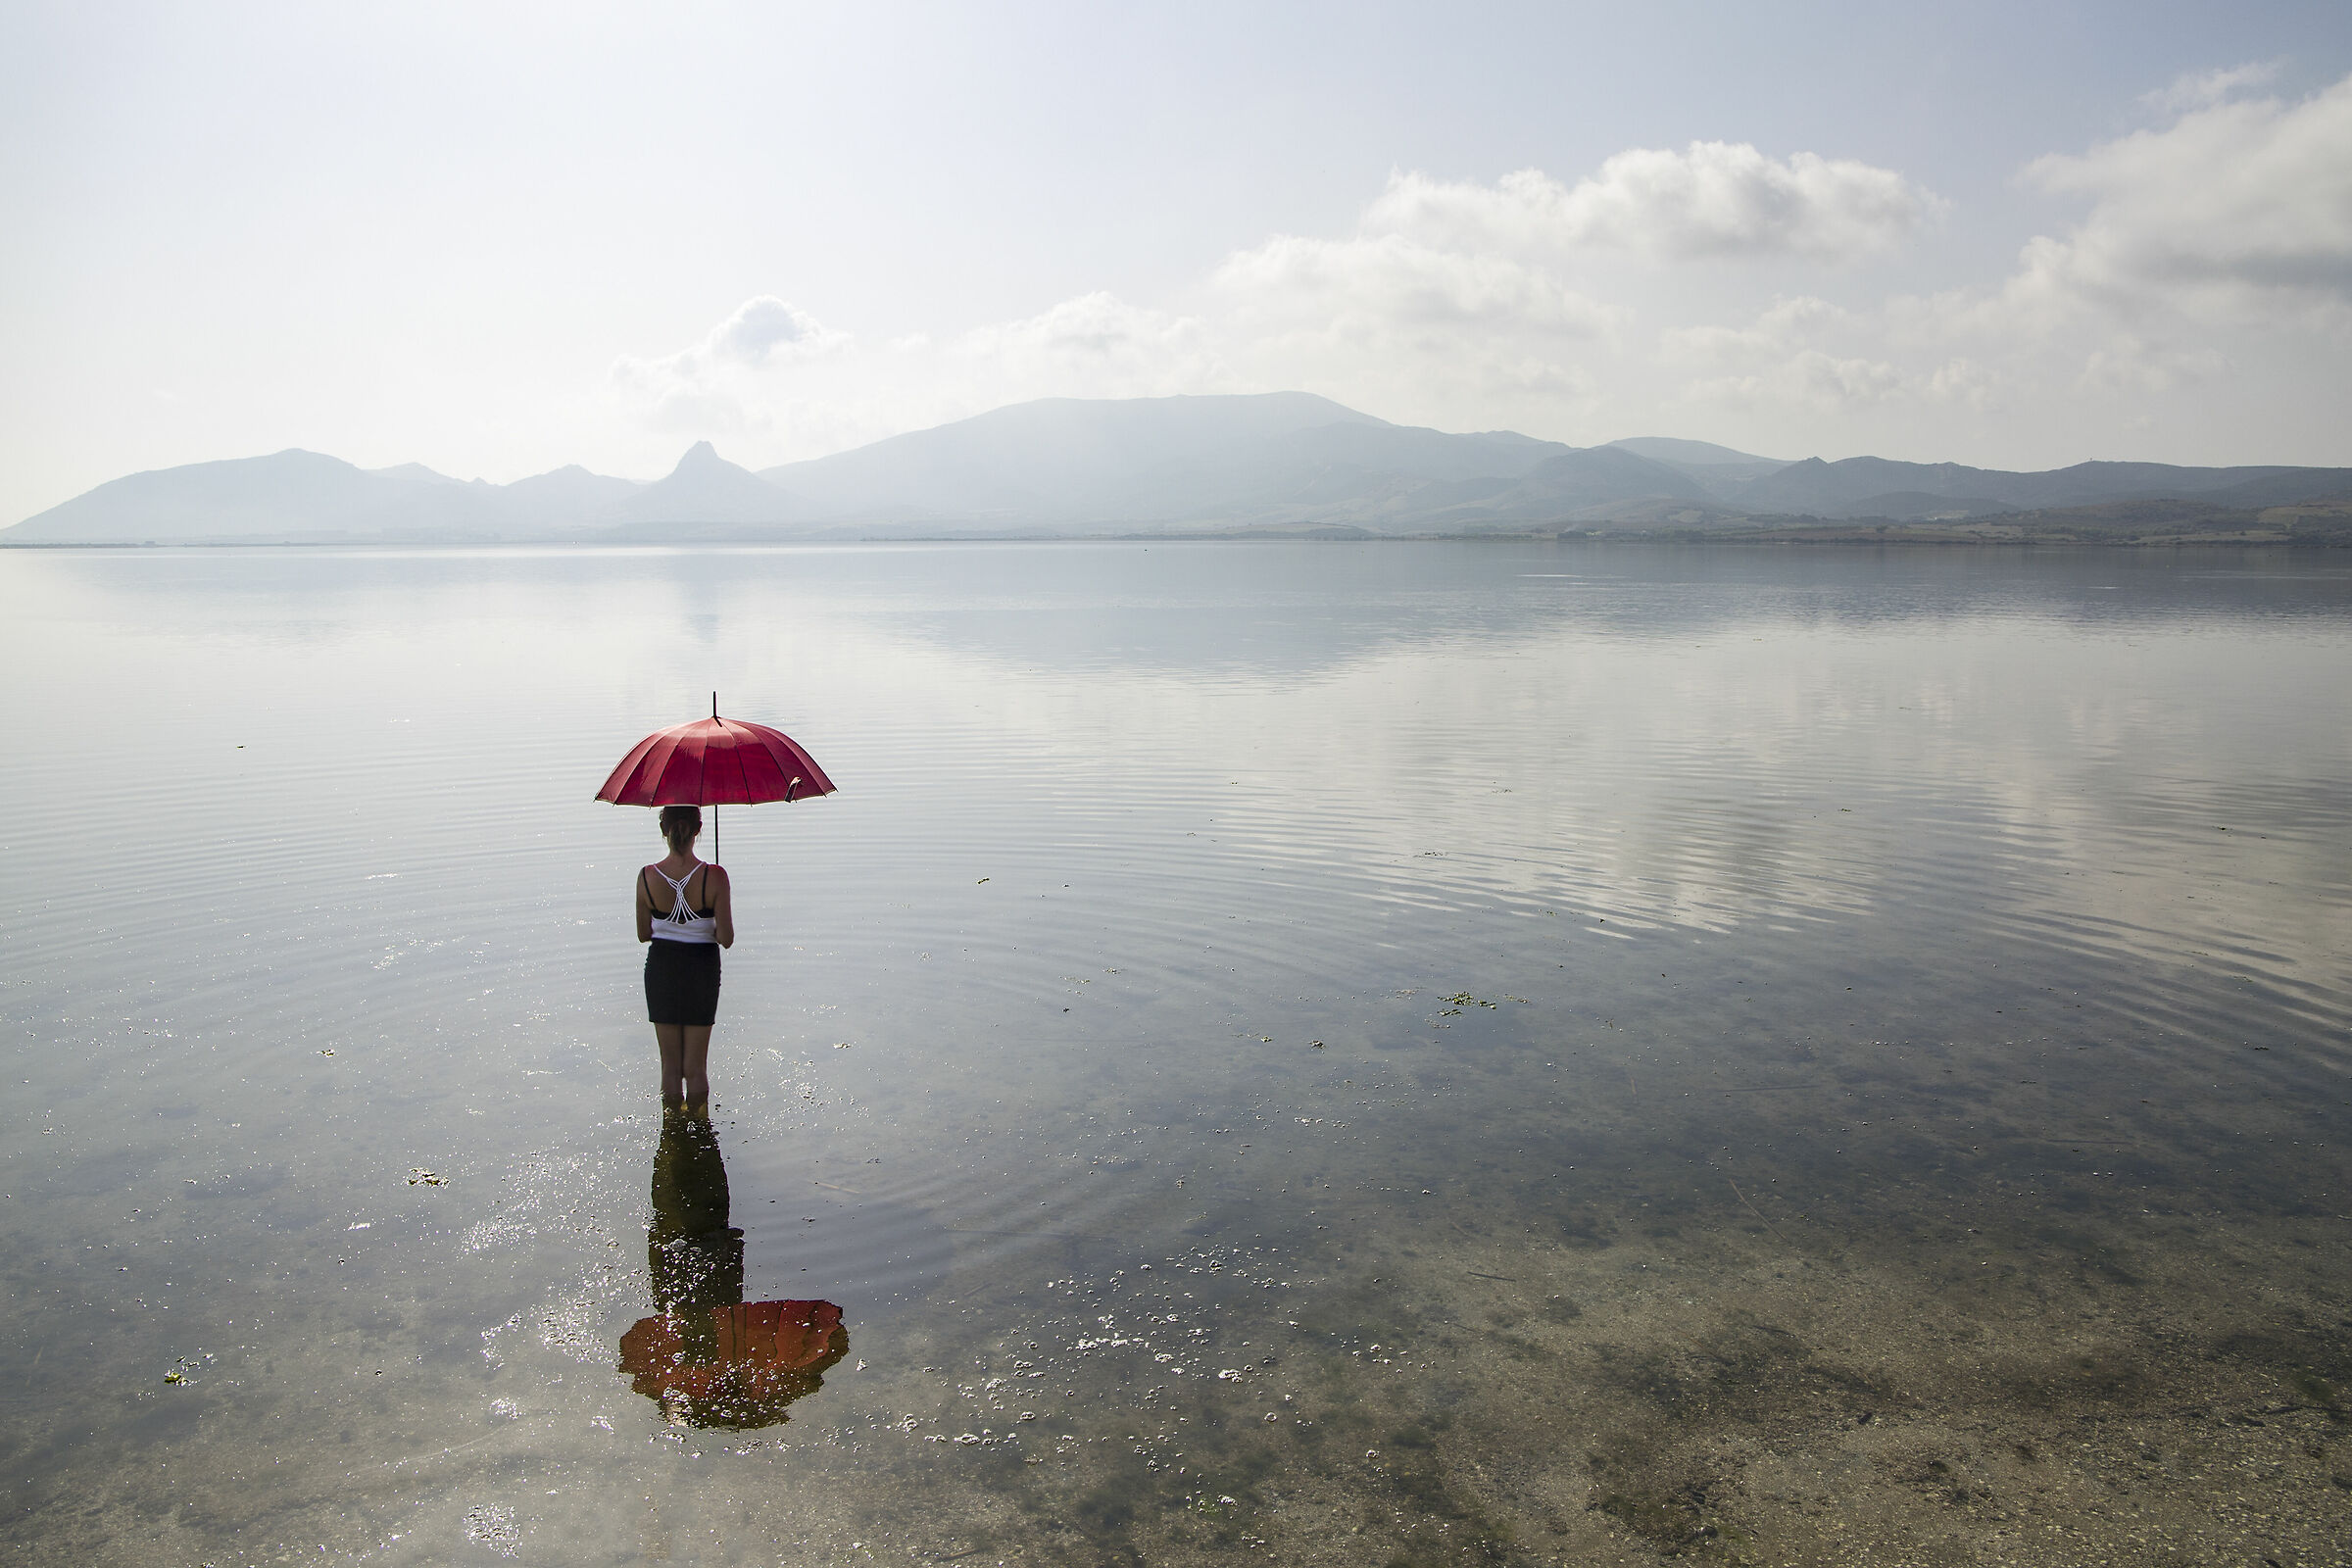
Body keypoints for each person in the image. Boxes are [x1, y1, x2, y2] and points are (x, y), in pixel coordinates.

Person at [636, 804, 734, 1110]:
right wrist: (705, 925)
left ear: (663, 829)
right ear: (698, 829)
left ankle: (673, 1130)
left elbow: (643, 934)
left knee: (670, 1068)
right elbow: (726, 939)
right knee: (695, 1068)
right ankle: (699, 1128)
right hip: (701, 970)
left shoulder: (646, 876)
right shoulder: (715, 876)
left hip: (662, 969)